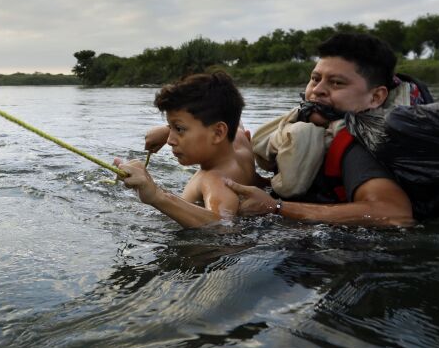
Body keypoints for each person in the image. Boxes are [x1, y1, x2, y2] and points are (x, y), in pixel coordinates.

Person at [225, 33, 415, 227]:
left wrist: (276, 208)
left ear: (376, 97)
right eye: (315, 79)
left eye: (337, 83)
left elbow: (395, 213)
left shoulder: (359, 146)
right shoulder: (322, 133)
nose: (317, 90)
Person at [114, 71, 257, 228]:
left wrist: (156, 195)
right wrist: (169, 128)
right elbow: (232, 117)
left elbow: (222, 224)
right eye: (171, 128)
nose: (169, 140)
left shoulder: (215, 181)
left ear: (218, 133)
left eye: (179, 129)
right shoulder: (241, 141)